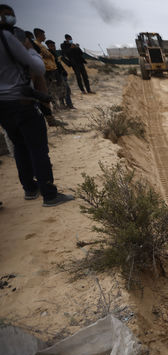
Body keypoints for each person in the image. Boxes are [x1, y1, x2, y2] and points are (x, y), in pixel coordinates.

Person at [0, 5, 73, 206]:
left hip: (3, 107)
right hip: (22, 101)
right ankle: (49, 194)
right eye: (8, 16)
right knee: (38, 149)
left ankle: (30, 189)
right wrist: (31, 50)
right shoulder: (8, 38)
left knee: (20, 148)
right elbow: (37, 67)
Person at [45, 39, 73, 109]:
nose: (54, 47)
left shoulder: (54, 53)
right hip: (57, 74)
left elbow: (58, 64)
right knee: (65, 90)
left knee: (62, 90)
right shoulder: (50, 53)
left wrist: (63, 71)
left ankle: (64, 105)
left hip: (60, 74)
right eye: (52, 45)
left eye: (54, 45)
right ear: (48, 46)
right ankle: (68, 105)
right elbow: (54, 66)